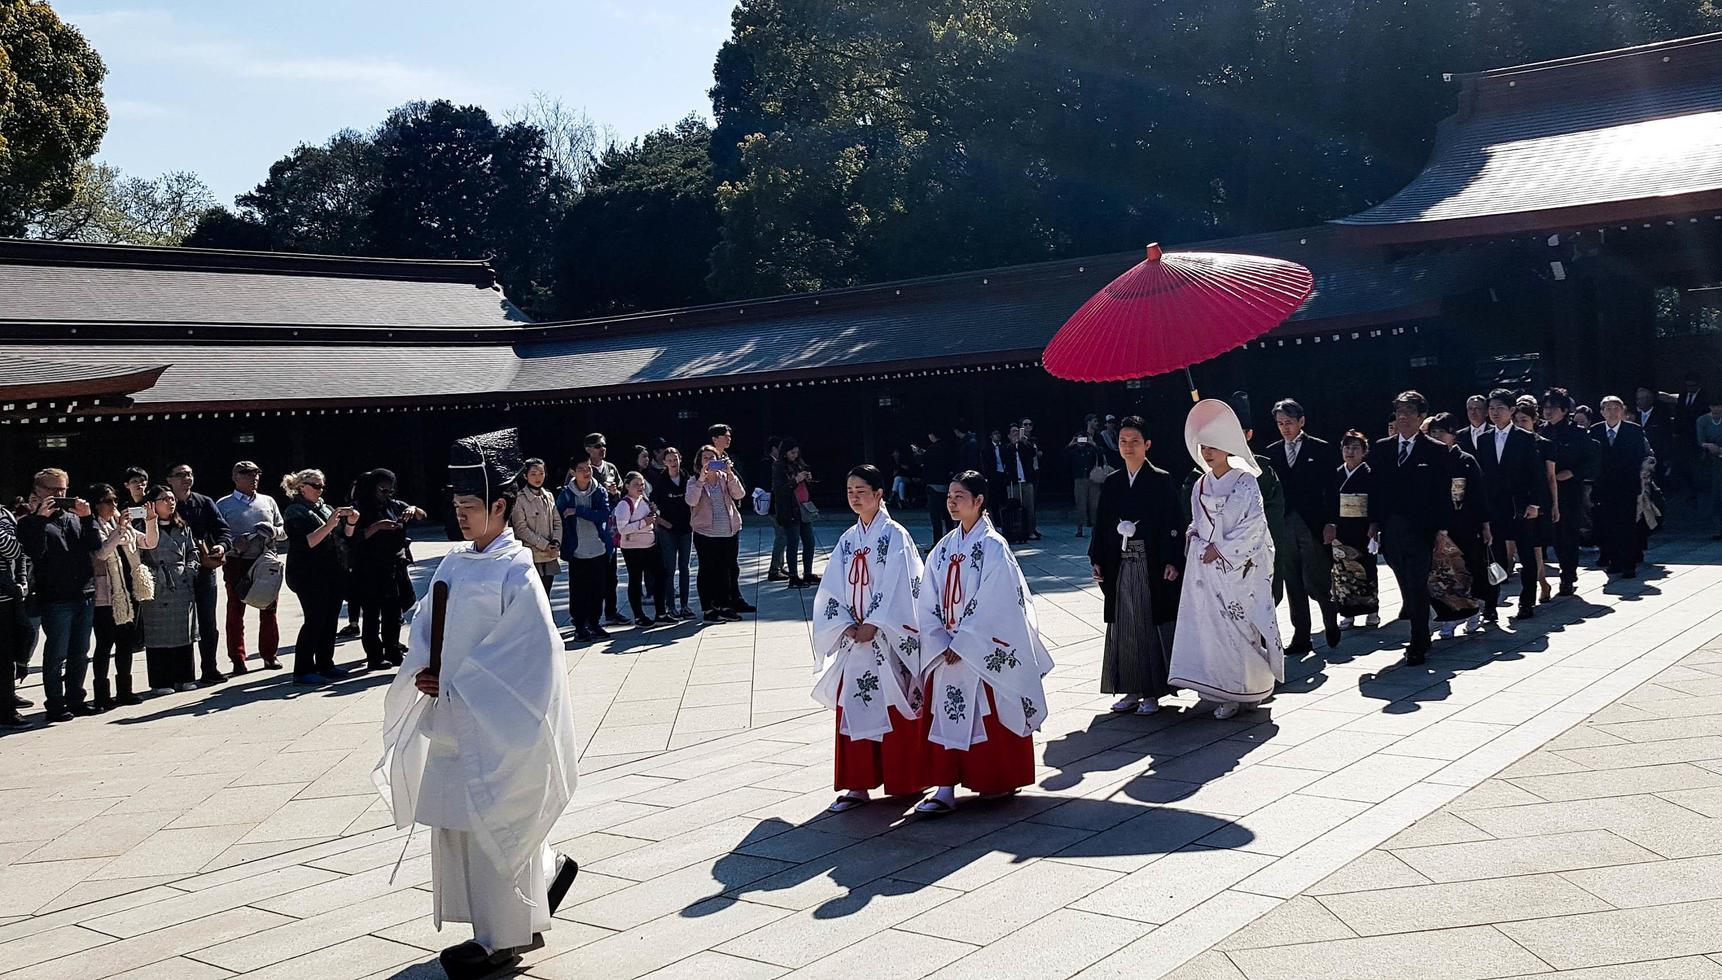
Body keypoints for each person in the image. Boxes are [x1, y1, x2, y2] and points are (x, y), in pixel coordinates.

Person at [374, 428, 579, 980]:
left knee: (495, 811)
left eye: (471, 506)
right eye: (458, 505)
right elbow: (424, 626)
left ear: (500, 506)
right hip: (451, 716)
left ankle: (499, 939)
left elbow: (531, 652)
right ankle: (535, 894)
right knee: (465, 820)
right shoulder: (454, 564)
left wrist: (462, 684)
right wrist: (421, 667)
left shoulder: (517, 570)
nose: (461, 515)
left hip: (490, 714)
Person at [912, 471, 1052, 814]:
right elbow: (926, 598)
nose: (952, 502)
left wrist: (963, 642)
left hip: (978, 648)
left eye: (960, 496)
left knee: (984, 711)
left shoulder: (993, 546)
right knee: (945, 713)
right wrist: (938, 637)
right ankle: (945, 785)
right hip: (945, 644)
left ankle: (993, 779)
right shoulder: (943, 549)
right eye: (949, 496)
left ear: (979, 501)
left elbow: (997, 601)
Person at [813, 465, 928, 812]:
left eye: (861, 490)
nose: (854, 497)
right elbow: (832, 585)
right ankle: (858, 784)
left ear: (880, 494)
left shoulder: (896, 536)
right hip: (855, 636)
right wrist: (844, 622)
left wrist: (876, 622)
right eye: (850, 491)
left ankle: (905, 779)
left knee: (894, 703)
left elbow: (901, 584)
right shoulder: (849, 539)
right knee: (856, 703)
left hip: (887, 639)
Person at [1167, 401, 1285, 718]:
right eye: (1204, 446)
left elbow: (1255, 524)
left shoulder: (1245, 480)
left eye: (1215, 446)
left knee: (1240, 627)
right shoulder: (1200, 483)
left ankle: (1247, 688)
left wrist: (1221, 548)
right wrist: (1193, 536)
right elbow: (1195, 521)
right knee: (1211, 628)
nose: (1208, 452)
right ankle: (1220, 689)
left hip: (1236, 567)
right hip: (1203, 566)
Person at [1090, 416, 1182, 715]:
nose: (1128, 447)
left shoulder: (1161, 479)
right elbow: (1102, 524)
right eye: (1123, 441)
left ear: (1147, 445)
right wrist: (1098, 559)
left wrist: (1171, 559)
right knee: (1123, 625)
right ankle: (1130, 688)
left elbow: (1173, 522)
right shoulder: (1114, 481)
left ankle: (1152, 690)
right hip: (1119, 561)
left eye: (1134, 441)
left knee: (1146, 622)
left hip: (1149, 560)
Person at [1370, 391, 1456, 665]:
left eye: (1409, 412)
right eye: (1399, 412)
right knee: (1404, 581)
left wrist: (1442, 531)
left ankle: (1419, 639)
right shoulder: (1383, 448)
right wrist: (1373, 522)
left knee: (1417, 583)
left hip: (1421, 528)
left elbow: (1443, 494)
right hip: (1391, 527)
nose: (1403, 417)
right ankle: (1420, 624)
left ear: (1421, 417)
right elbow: (1376, 490)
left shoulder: (1435, 450)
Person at [18, 469, 102, 721]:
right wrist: (40, 519)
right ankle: (55, 703)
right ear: (38, 492)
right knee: (56, 653)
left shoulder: (74, 518)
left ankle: (76, 698)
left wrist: (88, 519)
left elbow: (95, 546)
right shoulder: (29, 523)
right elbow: (33, 552)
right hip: (55, 597)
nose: (60, 495)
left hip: (83, 593)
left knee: (81, 651)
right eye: (54, 490)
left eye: (63, 489)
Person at [1264, 398, 1340, 653]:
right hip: (1284, 523)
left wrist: (1331, 521)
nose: (1285, 428)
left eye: (1289, 422)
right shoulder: (1272, 452)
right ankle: (1301, 634)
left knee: (1316, 578)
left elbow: (1332, 488)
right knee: (1292, 580)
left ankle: (1330, 617)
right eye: (1280, 423)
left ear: (1301, 422)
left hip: (1313, 522)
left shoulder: (1320, 448)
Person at [1476, 389, 1548, 622]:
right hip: (1494, 505)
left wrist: (1534, 503)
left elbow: (1536, 474)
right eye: (1492, 408)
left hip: (1519, 504)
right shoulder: (1484, 438)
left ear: (1511, 410)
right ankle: (1490, 604)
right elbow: (1483, 475)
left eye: (1500, 408)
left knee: (1526, 555)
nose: (1495, 413)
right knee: (1493, 556)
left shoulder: (1525, 437)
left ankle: (1526, 602)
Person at [281, 469, 356, 685]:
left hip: (332, 571)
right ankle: (303, 669)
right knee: (314, 620)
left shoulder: (325, 508)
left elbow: (344, 536)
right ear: (301, 487)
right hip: (307, 574)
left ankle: (325, 663)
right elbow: (306, 543)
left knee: (330, 618)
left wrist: (350, 521)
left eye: (322, 486)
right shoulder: (295, 512)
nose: (320, 490)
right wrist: (330, 524)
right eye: (316, 486)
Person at [349, 468, 425, 671]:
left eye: (390, 491)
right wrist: (377, 527)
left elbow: (421, 515)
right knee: (372, 614)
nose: (387, 495)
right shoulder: (358, 509)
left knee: (393, 612)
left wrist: (413, 508)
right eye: (383, 491)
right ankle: (374, 655)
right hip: (368, 568)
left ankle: (393, 649)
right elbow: (351, 538)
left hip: (393, 566)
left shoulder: (393, 505)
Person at [88, 483, 156, 709]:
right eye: (108, 501)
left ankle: (125, 690)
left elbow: (148, 542)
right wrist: (118, 530)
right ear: (97, 504)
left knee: (126, 644)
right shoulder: (91, 525)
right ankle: (101, 694)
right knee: (105, 644)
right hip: (106, 595)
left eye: (115, 501)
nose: (114, 506)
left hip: (128, 591)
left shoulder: (120, 523)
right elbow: (101, 552)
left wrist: (151, 519)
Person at [215, 460, 287, 673]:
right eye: (246, 473)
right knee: (235, 611)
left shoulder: (268, 501)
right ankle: (238, 658)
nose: (253, 477)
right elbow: (216, 536)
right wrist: (233, 544)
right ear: (235, 477)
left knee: (269, 608)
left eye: (256, 473)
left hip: (265, 560)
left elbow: (284, 530)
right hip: (237, 561)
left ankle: (269, 655)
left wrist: (273, 531)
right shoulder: (223, 505)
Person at [166, 464, 232, 685]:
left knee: (207, 622)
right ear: (169, 479)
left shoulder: (203, 502)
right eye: (181, 475)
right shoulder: (162, 503)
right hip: (174, 573)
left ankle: (209, 668)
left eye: (189, 474)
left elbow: (222, 529)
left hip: (203, 569)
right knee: (178, 624)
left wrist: (222, 546)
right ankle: (181, 674)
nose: (187, 478)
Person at [1425, 415, 1490, 636]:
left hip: (1463, 523)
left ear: (1453, 435)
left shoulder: (1466, 460)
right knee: (1439, 574)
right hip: (1435, 524)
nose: (1436, 437)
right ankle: (1448, 618)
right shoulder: (1428, 461)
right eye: (1432, 433)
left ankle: (1472, 612)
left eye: (1441, 432)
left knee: (1463, 569)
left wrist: (1485, 524)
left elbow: (1480, 495)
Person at [138, 485, 201, 694]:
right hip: (158, 583)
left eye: (172, 498)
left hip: (181, 582)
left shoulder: (182, 526)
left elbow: (192, 551)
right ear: (152, 504)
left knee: (184, 631)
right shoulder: (141, 526)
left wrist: (191, 569)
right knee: (158, 634)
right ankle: (161, 681)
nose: (170, 502)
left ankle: (185, 677)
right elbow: (137, 556)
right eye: (164, 499)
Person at [1541, 389, 1598, 595]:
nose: (1548, 411)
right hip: (1546, 489)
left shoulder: (1578, 433)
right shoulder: (1541, 432)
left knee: (1568, 533)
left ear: (1565, 410)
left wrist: (1573, 472)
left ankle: (1568, 573)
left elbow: (1592, 461)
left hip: (1569, 489)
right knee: (1553, 534)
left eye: (1553, 408)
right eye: (1545, 407)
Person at [1323, 431, 1379, 629]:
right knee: (1342, 571)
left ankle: (1371, 610)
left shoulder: (1370, 474)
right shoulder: (1336, 474)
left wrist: (1374, 523)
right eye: (1347, 447)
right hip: (1342, 528)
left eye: (1356, 448)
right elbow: (1329, 501)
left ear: (1364, 452)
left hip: (1363, 527)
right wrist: (1330, 524)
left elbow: (1376, 501)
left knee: (1366, 569)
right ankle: (1347, 613)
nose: (1350, 452)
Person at [1592, 395, 1652, 577]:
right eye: (1608, 408)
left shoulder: (1633, 430)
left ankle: (1628, 564)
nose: (1612, 412)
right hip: (1604, 485)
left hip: (1627, 484)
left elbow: (1640, 455)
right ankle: (1614, 561)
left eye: (1616, 408)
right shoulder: (1594, 431)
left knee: (1627, 525)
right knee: (1608, 525)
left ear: (1623, 411)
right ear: (1602, 412)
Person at [688, 444, 748, 622]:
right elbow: (691, 500)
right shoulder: (694, 480)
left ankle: (725, 605)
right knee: (707, 570)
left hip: (728, 531)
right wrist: (701, 479)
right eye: (705, 458)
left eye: (713, 458)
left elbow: (739, 494)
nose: (710, 461)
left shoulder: (725, 477)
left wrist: (730, 473)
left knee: (725, 570)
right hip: (705, 533)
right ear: (699, 462)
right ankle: (708, 608)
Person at [557, 458, 612, 642]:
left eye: (588, 468)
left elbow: (604, 514)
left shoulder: (599, 490)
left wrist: (578, 511)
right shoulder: (566, 494)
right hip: (577, 550)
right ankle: (580, 626)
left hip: (598, 547)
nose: (586, 472)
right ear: (573, 472)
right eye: (580, 469)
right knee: (578, 590)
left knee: (598, 589)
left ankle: (595, 623)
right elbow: (559, 517)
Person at [707, 423, 758, 616]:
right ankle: (720, 600)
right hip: (713, 519)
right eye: (725, 436)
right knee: (716, 564)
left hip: (730, 515)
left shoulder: (728, 458)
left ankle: (735, 597)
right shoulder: (707, 457)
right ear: (715, 438)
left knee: (732, 563)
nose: (729, 439)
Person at [1514, 403, 1558, 605]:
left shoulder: (1544, 444)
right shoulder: (1511, 441)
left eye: (1524, 420)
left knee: (1537, 545)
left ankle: (1541, 582)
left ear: (1534, 421)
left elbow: (1550, 477)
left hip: (1539, 499)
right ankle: (1539, 581)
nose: (1520, 424)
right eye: (1517, 420)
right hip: (1518, 500)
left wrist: (1555, 504)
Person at [614, 472, 672, 625]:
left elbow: (653, 517)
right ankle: (639, 616)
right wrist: (643, 523)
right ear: (627, 486)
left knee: (661, 575)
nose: (640, 487)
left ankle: (661, 613)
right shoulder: (623, 504)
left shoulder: (644, 499)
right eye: (636, 485)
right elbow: (622, 529)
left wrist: (654, 512)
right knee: (635, 580)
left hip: (650, 545)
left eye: (642, 484)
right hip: (633, 548)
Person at [583, 433, 627, 626]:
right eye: (597, 445)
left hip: (610, 527)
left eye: (604, 445)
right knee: (592, 575)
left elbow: (622, 493)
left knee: (611, 574)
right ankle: (590, 615)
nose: (602, 448)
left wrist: (615, 492)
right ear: (588, 449)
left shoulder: (611, 468)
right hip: (590, 527)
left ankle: (611, 611)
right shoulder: (583, 468)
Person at [650, 448, 695, 619]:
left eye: (675, 458)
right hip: (667, 529)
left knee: (685, 566)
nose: (673, 462)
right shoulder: (661, 481)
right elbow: (652, 504)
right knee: (669, 567)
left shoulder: (687, 478)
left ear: (680, 458)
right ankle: (671, 605)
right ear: (664, 462)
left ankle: (685, 604)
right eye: (669, 460)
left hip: (686, 527)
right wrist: (663, 522)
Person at [510, 458, 563, 598]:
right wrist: (543, 544)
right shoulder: (519, 499)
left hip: (550, 553)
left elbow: (557, 521)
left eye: (541, 473)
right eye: (533, 474)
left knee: (546, 593)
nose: (538, 477)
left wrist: (556, 542)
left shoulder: (549, 496)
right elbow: (521, 529)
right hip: (532, 554)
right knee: (533, 595)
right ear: (525, 476)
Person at [773, 439, 820, 588]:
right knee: (793, 543)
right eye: (792, 452)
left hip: (804, 507)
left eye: (796, 452)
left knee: (810, 542)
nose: (795, 455)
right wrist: (796, 480)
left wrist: (808, 479)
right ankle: (793, 576)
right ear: (785, 452)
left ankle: (808, 573)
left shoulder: (798, 464)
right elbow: (779, 490)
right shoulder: (779, 466)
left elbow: (807, 485)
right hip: (790, 509)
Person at [0, 505, 30, 729]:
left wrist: (22, 581)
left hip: (7, 597)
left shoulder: (4, 514)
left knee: (9, 653)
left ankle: (8, 701)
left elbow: (15, 551)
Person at [1067, 416, 1109, 539]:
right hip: (1080, 475)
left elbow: (1102, 452)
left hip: (1094, 476)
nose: (1096, 423)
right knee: (1080, 503)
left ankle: (1095, 528)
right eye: (1094, 421)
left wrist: (1093, 443)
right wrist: (1072, 443)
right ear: (1088, 422)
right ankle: (1080, 527)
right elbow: (1067, 454)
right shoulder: (1080, 434)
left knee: (1095, 504)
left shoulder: (1098, 437)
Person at [1005, 421, 1041, 541]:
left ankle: (1030, 531)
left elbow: (1032, 454)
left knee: (1029, 507)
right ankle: (1016, 531)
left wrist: (1024, 443)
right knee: (1014, 506)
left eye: (1017, 431)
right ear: (1009, 435)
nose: (1016, 434)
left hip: (1026, 480)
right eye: (1013, 432)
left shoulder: (1025, 446)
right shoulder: (1007, 447)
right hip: (1013, 481)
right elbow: (1005, 459)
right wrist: (1013, 445)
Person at [761, 438, 789, 582]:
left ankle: (780, 566)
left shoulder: (777, 463)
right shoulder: (769, 464)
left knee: (781, 535)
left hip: (777, 503)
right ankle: (774, 569)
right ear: (774, 448)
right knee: (781, 535)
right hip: (774, 504)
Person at [921, 429, 954, 542]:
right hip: (945, 484)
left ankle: (937, 541)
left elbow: (924, 466)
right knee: (947, 515)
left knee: (935, 517)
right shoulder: (948, 449)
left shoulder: (930, 450)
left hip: (933, 484)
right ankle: (951, 539)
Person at [1698, 393, 1722, 540]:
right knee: (1715, 493)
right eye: (1713, 406)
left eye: (1719, 406)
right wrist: (1709, 446)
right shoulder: (1702, 420)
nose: (1717, 409)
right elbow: (1700, 440)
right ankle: (1717, 527)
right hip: (1711, 460)